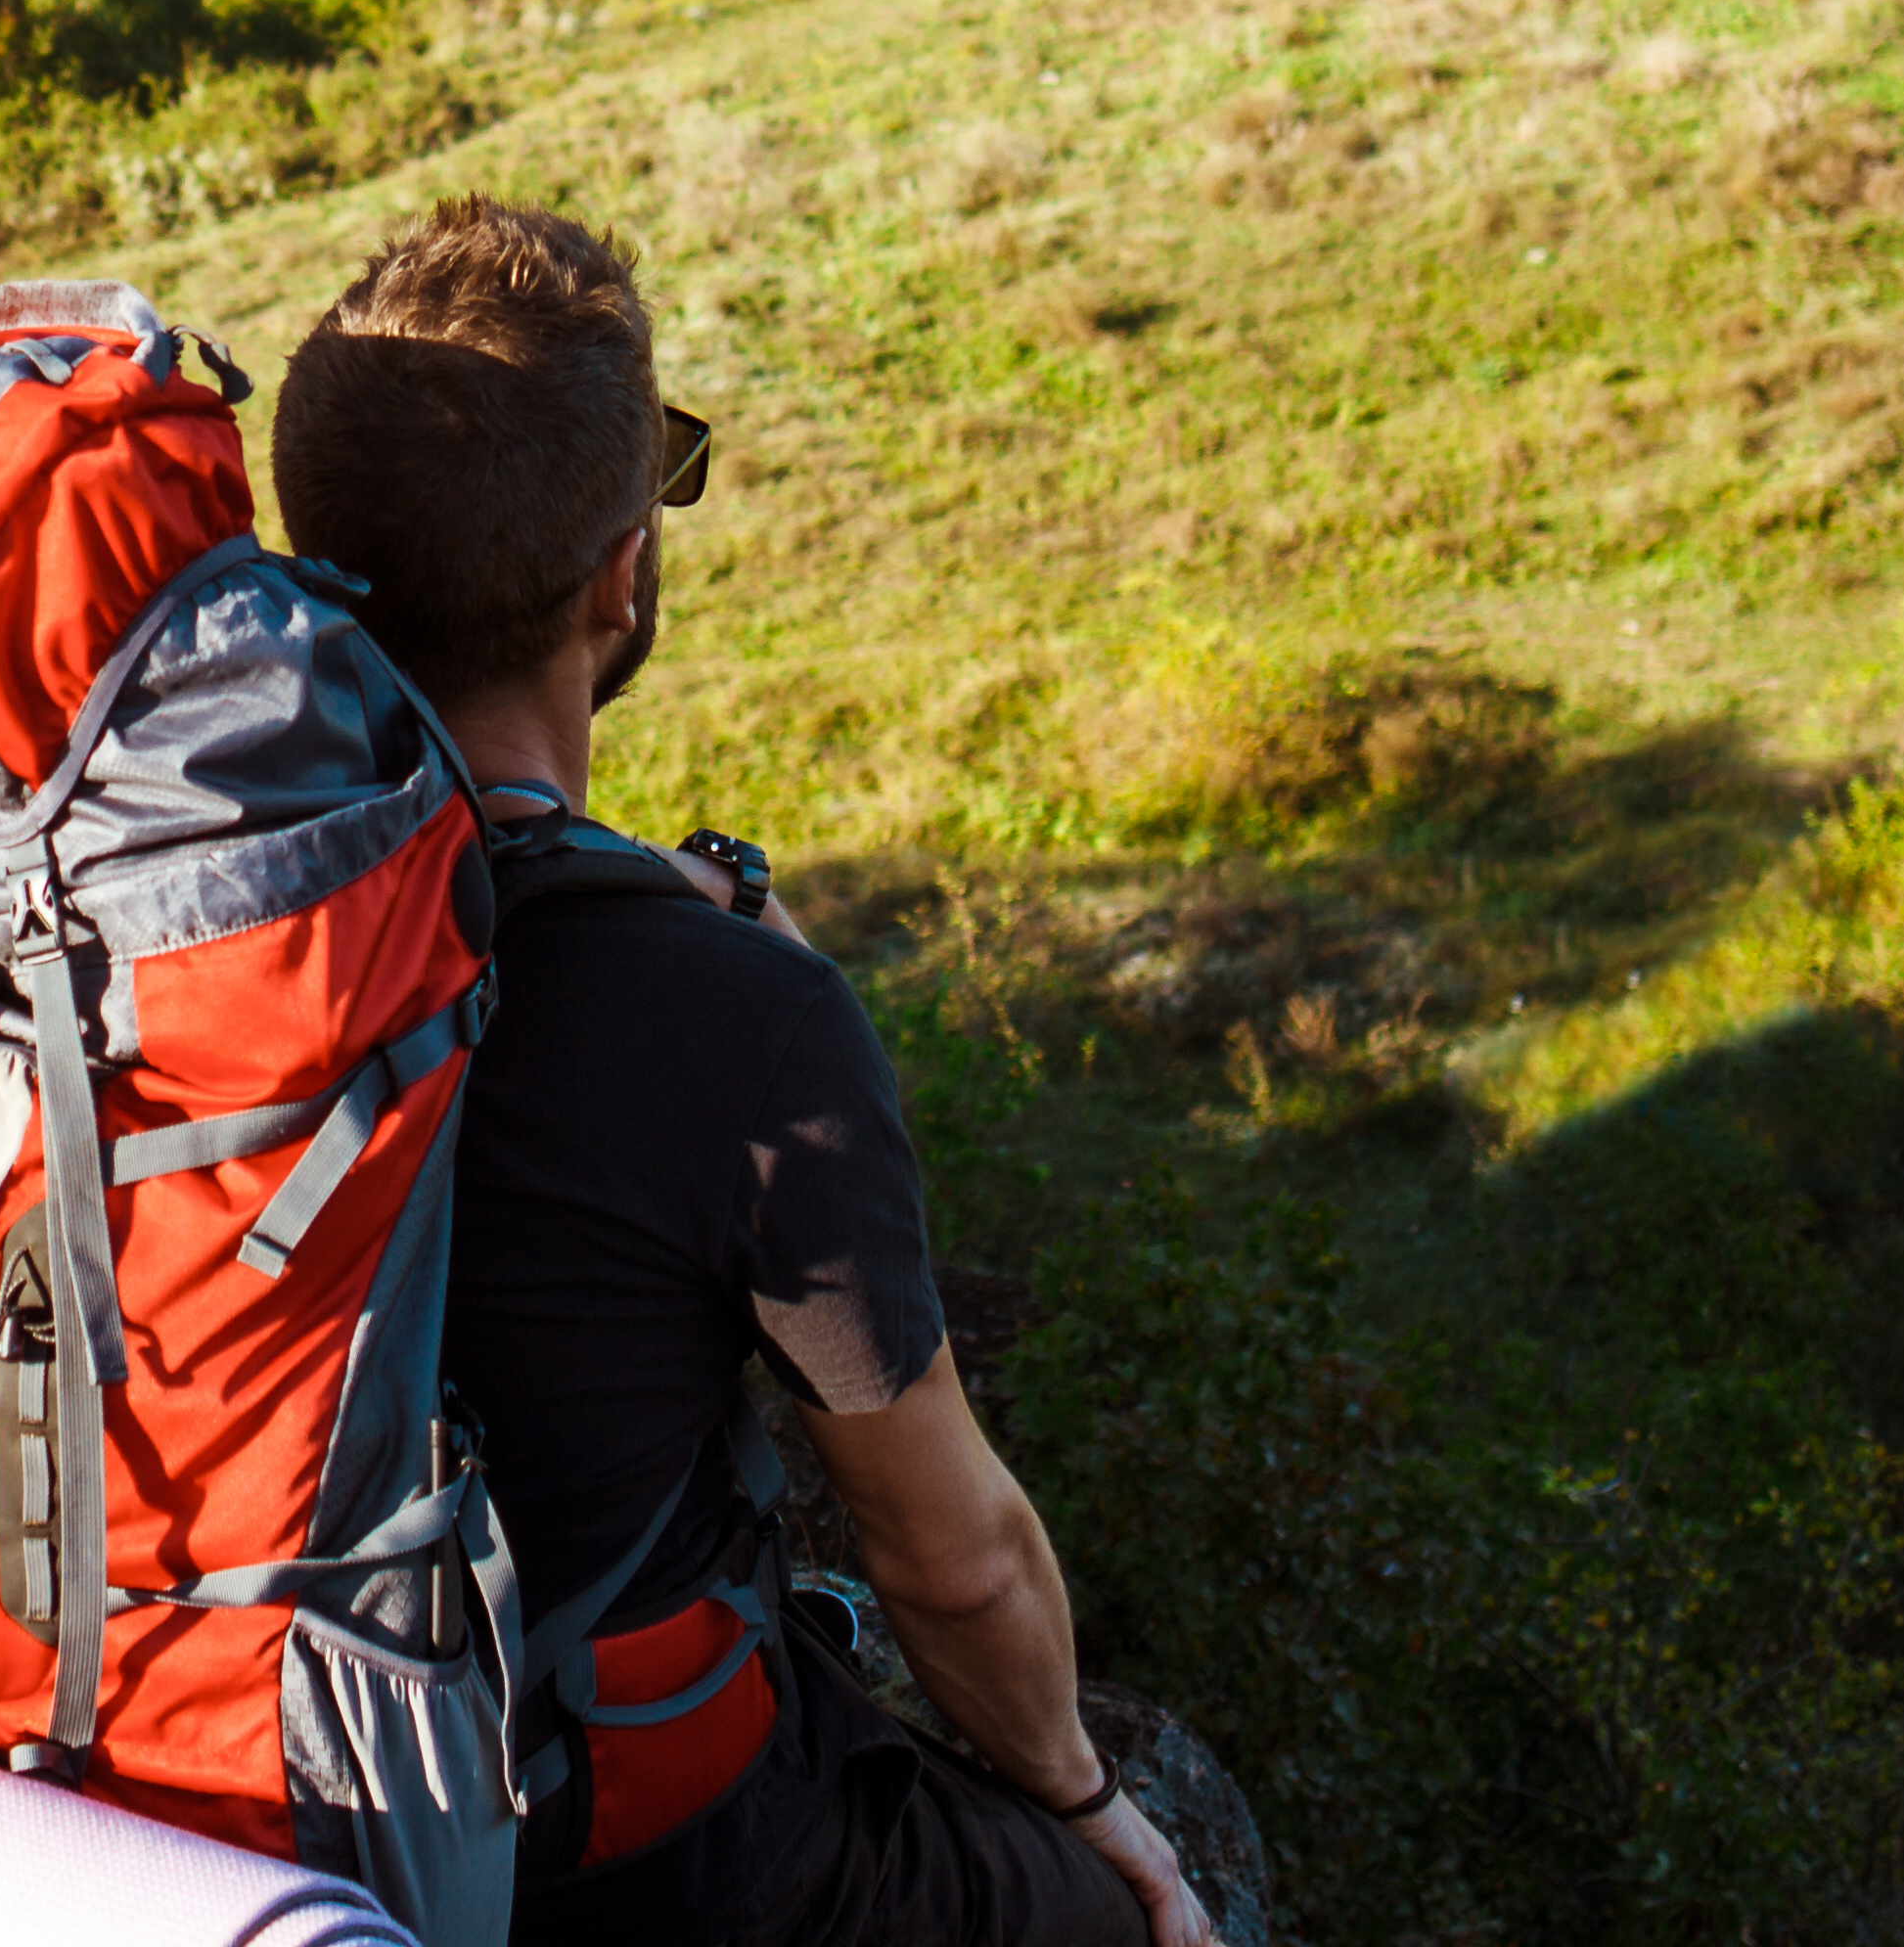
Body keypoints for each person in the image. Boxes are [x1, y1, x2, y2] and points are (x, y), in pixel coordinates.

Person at [268, 202, 1211, 1947]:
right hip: (613, 1856)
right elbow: (950, 1554)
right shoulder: (732, 1014)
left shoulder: (165, 920)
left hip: (246, 1797)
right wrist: (1090, 1806)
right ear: (620, 574)